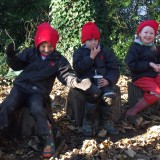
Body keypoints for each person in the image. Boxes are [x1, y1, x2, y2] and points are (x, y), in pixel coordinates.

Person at [0, 22, 101, 158]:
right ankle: (2, 131)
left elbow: (66, 75)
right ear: (38, 44)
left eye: (50, 46)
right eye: (43, 46)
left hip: (38, 92)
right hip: (21, 87)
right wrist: (11, 56)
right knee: (8, 105)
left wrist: (79, 83)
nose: (46, 49)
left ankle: (47, 138)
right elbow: (17, 65)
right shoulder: (30, 53)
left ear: (54, 45)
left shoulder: (58, 59)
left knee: (37, 109)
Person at [73, 22, 120, 136]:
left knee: (109, 96)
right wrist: (91, 57)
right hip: (86, 81)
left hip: (103, 81)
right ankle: (87, 121)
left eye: (95, 39)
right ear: (84, 41)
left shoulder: (105, 52)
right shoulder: (79, 52)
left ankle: (106, 121)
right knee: (94, 94)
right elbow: (78, 69)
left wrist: (108, 80)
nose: (93, 42)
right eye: (89, 40)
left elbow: (114, 69)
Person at [125, 20, 160, 126]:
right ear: (139, 33)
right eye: (146, 32)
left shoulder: (155, 48)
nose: (148, 35)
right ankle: (132, 111)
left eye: (151, 33)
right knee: (156, 93)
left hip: (154, 75)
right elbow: (131, 65)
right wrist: (149, 64)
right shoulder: (134, 47)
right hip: (140, 77)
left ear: (155, 35)